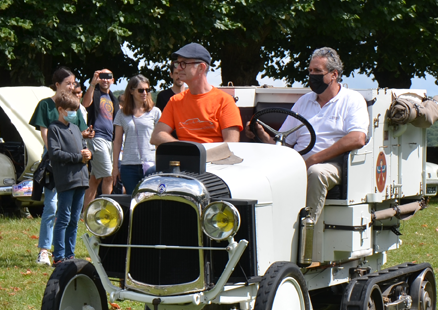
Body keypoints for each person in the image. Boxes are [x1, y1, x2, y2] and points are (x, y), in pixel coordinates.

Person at [256, 47, 369, 225]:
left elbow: (357, 138)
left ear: (334, 74)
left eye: (317, 71)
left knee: (316, 172)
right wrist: (262, 135)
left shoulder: (352, 100)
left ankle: (306, 229)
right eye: (310, 71)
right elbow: (285, 142)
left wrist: (313, 160)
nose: (312, 75)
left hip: (334, 165)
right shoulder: (304, 101)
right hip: (300, 163)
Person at [29, 67, 88, 265]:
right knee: (52, 206)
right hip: (57, 164)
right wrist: (70, 156)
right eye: (68, 83)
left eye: (73, 83)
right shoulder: (46, 106)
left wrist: (86, 151)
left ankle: (67, 254)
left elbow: (80, 134)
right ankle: (46, 251)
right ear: (57, 84)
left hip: (78, 171)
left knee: (71, 216)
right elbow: (48, 138)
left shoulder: (74, 106)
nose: (72, 86)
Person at [151, 43, 242, 145]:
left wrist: (200, 155)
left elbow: (231, 144)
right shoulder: (175, 101)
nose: (178, 68)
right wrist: (187, 150)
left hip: (214, 160)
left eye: (184, 63)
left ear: (201, 68)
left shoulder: (224, 101)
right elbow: (157, 135)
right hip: (185, 159)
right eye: (177, 63)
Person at [47, 87, 92, 264]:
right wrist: (78, 157)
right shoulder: (54, 129)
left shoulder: (75, 127)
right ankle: (59, 256)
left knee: (74, 219)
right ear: (60, 110)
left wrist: (88, 155)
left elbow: (83, 149)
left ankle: (70, 254)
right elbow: (55, 154)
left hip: (81, 179)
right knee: (63, 218)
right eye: (71, 110)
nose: (74, 113)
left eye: (75, 110)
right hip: (66, 179)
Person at [113, 75, 161, 193]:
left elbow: (160, 139)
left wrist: (161, 163)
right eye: (141, 90)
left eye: (147, 90)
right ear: (131, 91)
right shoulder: (122, 113)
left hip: (151, 164)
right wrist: (115, 167)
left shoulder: (155, 112)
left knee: (150, 201)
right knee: (132, 202)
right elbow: (117, 141)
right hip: (128, 165)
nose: (145, 93)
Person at [81, 68, 118, 207]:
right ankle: (106, 210)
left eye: (108, 76)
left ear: (113, 80)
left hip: (110, 141)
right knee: (108, 176)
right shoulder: (95, 93)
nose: (105, 79)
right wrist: (92, 83)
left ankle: (85, 213)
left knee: (95, 179)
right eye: (102, 76)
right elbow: (85, 104)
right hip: (97, 139)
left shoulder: (113, 98)